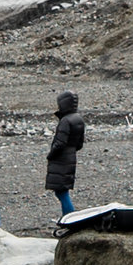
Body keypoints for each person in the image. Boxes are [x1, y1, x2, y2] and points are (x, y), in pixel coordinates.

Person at [44, 91, 85, 219]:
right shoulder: (78, 119)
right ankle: (68, 217)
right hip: (70, 157)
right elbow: (79, 144)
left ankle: (70, 218)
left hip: (61, 160)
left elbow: (60, 143)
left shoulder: (65, 121)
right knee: (62, 191)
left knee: (61, 192)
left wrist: (50, 155)